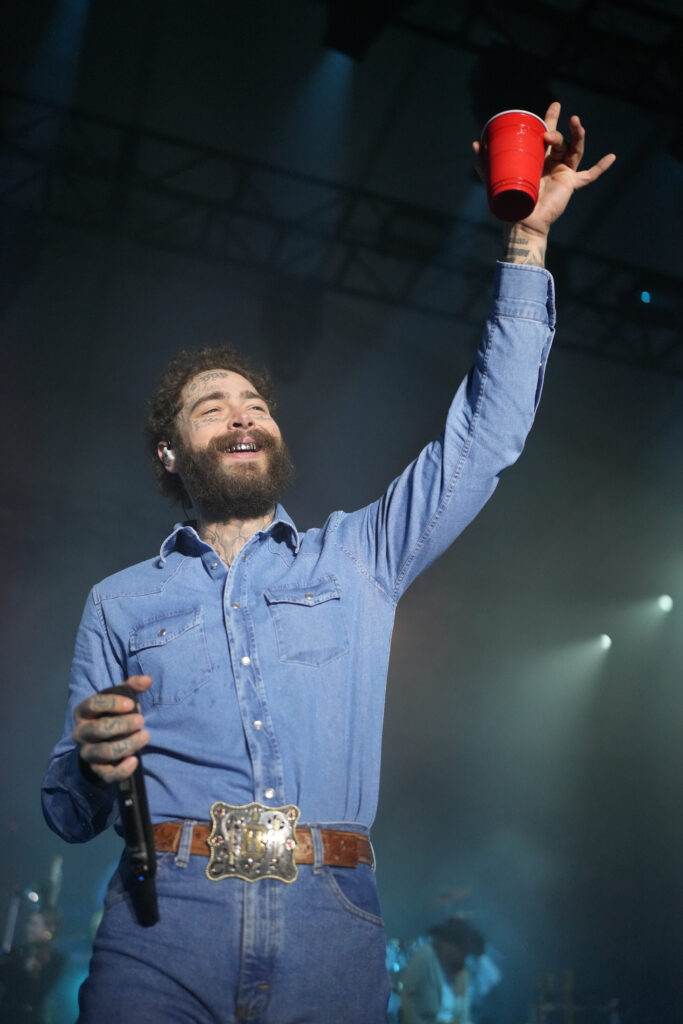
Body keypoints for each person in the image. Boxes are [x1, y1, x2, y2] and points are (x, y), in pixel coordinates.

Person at [42, 103, 615, 1024]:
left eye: (257, 402)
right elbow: (67, 809)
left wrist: (525, 247)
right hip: (161, 930)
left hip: (330, 928)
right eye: (212, 404)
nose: (243, 412)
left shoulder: (359, 555)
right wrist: (92, 766)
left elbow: (485, 439)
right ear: (167, 453)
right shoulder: (119, 600)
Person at [399, 917, 488, 1024]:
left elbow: (464, 1017)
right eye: (461, 950)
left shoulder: (461, 972)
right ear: (448, 945)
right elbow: (406, 994)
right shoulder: (426, 955)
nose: (463, 956)